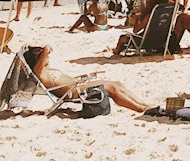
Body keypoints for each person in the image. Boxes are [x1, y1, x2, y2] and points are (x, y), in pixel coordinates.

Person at [23, 45, 151, 113]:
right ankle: (140, 108)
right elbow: (46, 51)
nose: (48, 57)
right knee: (111, 88)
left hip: (78, 86)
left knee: (116, 83)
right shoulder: (40, 73)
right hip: (75, 91)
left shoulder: (45, 69)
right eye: (45, 56)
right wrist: (45, 49)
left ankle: (144, 104)